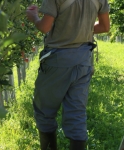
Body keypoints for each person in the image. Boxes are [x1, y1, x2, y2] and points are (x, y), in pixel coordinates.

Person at [26, 0, 110, 150]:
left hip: (58, 60)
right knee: (77, 114)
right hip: (84, 60)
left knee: (44, 111)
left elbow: (45, 27)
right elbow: (104, 26)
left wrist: (34, 17)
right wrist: (79, 30)